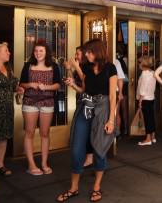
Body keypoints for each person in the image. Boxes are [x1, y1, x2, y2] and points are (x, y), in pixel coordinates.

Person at [58, 39, 117, 202]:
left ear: (97, 52)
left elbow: (113, 96)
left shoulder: (110, 68)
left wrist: (111, 120)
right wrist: (73, 85)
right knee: (77, 149)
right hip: (85, 108)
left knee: (99, 149)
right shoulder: (86, 68)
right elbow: (84, 89)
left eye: (89, 52)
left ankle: (96, 187)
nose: (86, 54)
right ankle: (73, 188)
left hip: (103, 110)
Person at [19, 42, 61, 176]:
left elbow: (57, 85)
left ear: (46, 52)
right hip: (30, 102)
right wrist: (30, 84)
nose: (38, 53)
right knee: (29, 132)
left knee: (45, 133)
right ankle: (31, 165)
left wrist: (46, 87)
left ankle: (44, 163)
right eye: (36, 51)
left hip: (47, 102)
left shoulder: (54, 66)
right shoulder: (28, 65)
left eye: (41, 51)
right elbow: (21, 84)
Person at [0, 42, 23, 176]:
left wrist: (18, 89)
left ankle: (0, 166)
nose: (9, 53)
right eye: (6, 50)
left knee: (3, 138)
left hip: (6, 109)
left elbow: (12, 86)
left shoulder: (8, 68)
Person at [66, 46, 94, 168]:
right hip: (81, 99)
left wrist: (76, 67)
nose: (76, 56)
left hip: (89, 103)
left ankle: (90, 157)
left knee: (88, 130)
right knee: (83, 130)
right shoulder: (81, 67)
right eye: (75, 53)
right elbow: (78, 86)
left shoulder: (88, 67)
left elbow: (85, 82)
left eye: (78, 54)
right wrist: (69, 69)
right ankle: (87, 156)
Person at [136, 56, 157, 145]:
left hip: (145, 99)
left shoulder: (144, 74)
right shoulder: (152, 72)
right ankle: (153, 136)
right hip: (151, 97)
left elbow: (142, 89)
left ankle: (148, 139)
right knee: (151, 117)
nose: (138, 64)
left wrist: (140, 101)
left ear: (143, 64)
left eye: (139, 62)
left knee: (147, 119)